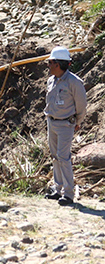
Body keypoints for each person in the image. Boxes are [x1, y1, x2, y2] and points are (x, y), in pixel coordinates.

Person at [43, 46, 87, 206]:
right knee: (55, 157)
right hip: (52, 122)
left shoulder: (74, 82)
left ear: (58, 64)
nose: (48, 65)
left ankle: (68, 194)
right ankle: (58, 188)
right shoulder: (51, 81)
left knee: (63, 157)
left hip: (66, 124)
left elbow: (81, 105)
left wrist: (78, 122)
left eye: (50, 62)